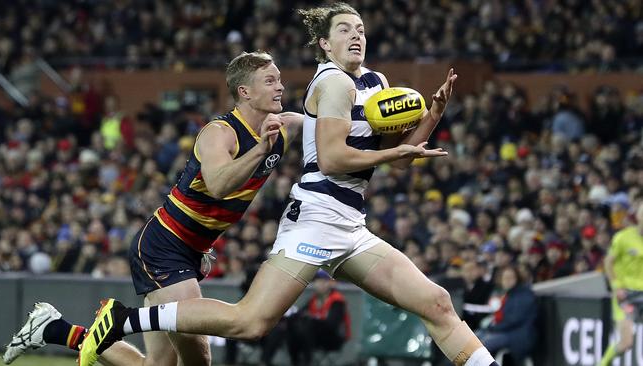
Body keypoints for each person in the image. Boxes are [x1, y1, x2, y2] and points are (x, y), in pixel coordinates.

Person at [78, 4, 499, 366]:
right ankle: (126, 321)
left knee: (438, 303)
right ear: (325, 44)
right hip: (316, 217)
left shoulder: (376, 83)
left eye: (361, 29)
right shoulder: (333, 81)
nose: (356, 36)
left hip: (350, 222)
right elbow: (334, 159)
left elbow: (400, 156)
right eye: (344, 30)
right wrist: (392, 155)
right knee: (251, 322)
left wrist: (433, 114)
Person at [3, 51, 303, 366]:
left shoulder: (286, 126)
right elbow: (217, 184)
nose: (280, 87)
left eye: (279, 79)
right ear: (245, 92)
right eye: (270, 81)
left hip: (188, 248)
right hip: (164, 246)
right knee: (198, 361)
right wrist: (260, 150)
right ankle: (117, 319)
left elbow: (329, 124)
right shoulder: (220, 133)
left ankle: (55, 329)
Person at [598, 202, 643, 366]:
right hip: (626, 296)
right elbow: (608, 262)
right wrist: (616, 286)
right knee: (626, 343)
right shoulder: (623, 237)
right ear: (638, 217)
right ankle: (603, 363)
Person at [477, 265, 537, 365]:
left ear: (517, 278)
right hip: (507, 331)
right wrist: (491, 325)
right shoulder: (510, 293)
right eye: (505, 278)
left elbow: (514, 320)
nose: (507, 280)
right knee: (475, 337)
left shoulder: (524, 294)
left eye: (510, 278)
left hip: (518, 334)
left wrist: (493, 328)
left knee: (483, 345)